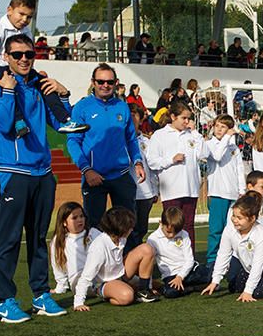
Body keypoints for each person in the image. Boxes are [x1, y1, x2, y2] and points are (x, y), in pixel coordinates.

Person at [0, 33, 74, 323]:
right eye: (18, 54)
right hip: (14, 174)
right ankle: (5, 301)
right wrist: (9, 92)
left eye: (29, 55)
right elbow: (2, 125)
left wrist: (62, 93)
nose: (24, 59)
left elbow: (63, 124)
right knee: (7, 240)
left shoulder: (38, 86)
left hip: (43, 174)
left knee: (37, 239)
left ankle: (40, 295)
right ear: (6, 57)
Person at [0, 0, 87, 136]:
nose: (24, 19)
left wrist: (33, 72)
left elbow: (29, 55)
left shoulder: (27, 32)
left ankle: (65, 119)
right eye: (21, 14)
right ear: (9, 10)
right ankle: (19, 121)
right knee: (10, 88)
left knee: (44, 83)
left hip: (20, 69)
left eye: (29, 17)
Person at [66, 64, 146, 228]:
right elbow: (73, 141)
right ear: (93, 82)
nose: (105, 85)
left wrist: (137, 162)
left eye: (109, 82)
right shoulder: (82, 107)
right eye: (100, 81)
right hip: (94, 177)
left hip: (121, 175)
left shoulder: (122, 107)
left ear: (116, 83)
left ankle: (128, 254)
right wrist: (87, 170)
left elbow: (131, 139)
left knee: (127, 226)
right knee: (94, 229)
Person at [73, 206, 160, 311]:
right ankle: (110, 293)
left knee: (147, 249)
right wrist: (78, 303)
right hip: (105, 282)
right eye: (129, 227)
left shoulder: (121, 238)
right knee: (127, 296)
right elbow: (86, 276)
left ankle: (144, 290)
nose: (131, 229)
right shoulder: (99, 247)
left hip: (121, 273)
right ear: (120, 228)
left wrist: (149, 286)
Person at [146, 101, 204, 246]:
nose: (187, 121)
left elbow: (204, 154)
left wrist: (196, 133)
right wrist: (171, 160)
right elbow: (152, 161)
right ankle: (170, 261)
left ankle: (190, 261)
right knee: (171, 226)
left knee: (188, 226)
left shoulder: (192, 135)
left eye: (189, 118)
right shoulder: (160, 135)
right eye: (183, 118)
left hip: (191, 190)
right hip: (171, 190)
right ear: (173, 117)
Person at [201, 193, 263, 298]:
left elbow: (258, 265)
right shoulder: (229, 230)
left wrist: (248, 291)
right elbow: (223, 254)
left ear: (252, 219)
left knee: (257, 293)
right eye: (234, 216)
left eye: (239, 218)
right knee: (234, 287)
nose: (234, 220)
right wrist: (215, 281)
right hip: (249, 269)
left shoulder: (261, 235)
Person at [204, 114, 246, 266]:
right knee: (216, 230)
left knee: (234, 229)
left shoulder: (233, 148)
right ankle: (212, 260)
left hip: (233, 194)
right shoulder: (209, 145)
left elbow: (239, 169)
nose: (220, 129)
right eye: (217, 126)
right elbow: (217, 156)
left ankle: (233, 259)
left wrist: (242, 190)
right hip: (217, 193)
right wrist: (227, 138)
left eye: (224, 127)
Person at [147, 206, 211, 298]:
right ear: (161, 223)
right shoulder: (153, 239)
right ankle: (192, 288)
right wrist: (149, 287)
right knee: (170, 293)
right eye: (168, 232)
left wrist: (180, 276)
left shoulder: (184, 234)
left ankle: (189, 285)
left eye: (176, 232)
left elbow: (189, 260)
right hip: (170, 275)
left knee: (210, 276)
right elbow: (149, 266)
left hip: (189, 271)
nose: (172, 235)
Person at [127, 103, 159, 249]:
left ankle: (139, 262)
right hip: (127, 192)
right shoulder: (120, 141)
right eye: (129, 115)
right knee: (127, 230)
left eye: (135, 115)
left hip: (145, 193)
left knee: (142, 228)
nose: (132, 118)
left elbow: (152, 168)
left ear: (141, 119)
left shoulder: (148, 141)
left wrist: (155, 190)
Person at [49, 202, 99, 295]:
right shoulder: (58, 240)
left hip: (100, 274)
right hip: (79, 280)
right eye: (74, 218)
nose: (80, 220)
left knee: (132, 279)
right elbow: (57, 264)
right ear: (64, 222)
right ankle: (103, 290)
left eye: (81, 216)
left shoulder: (93, 233)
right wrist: (61, 286)